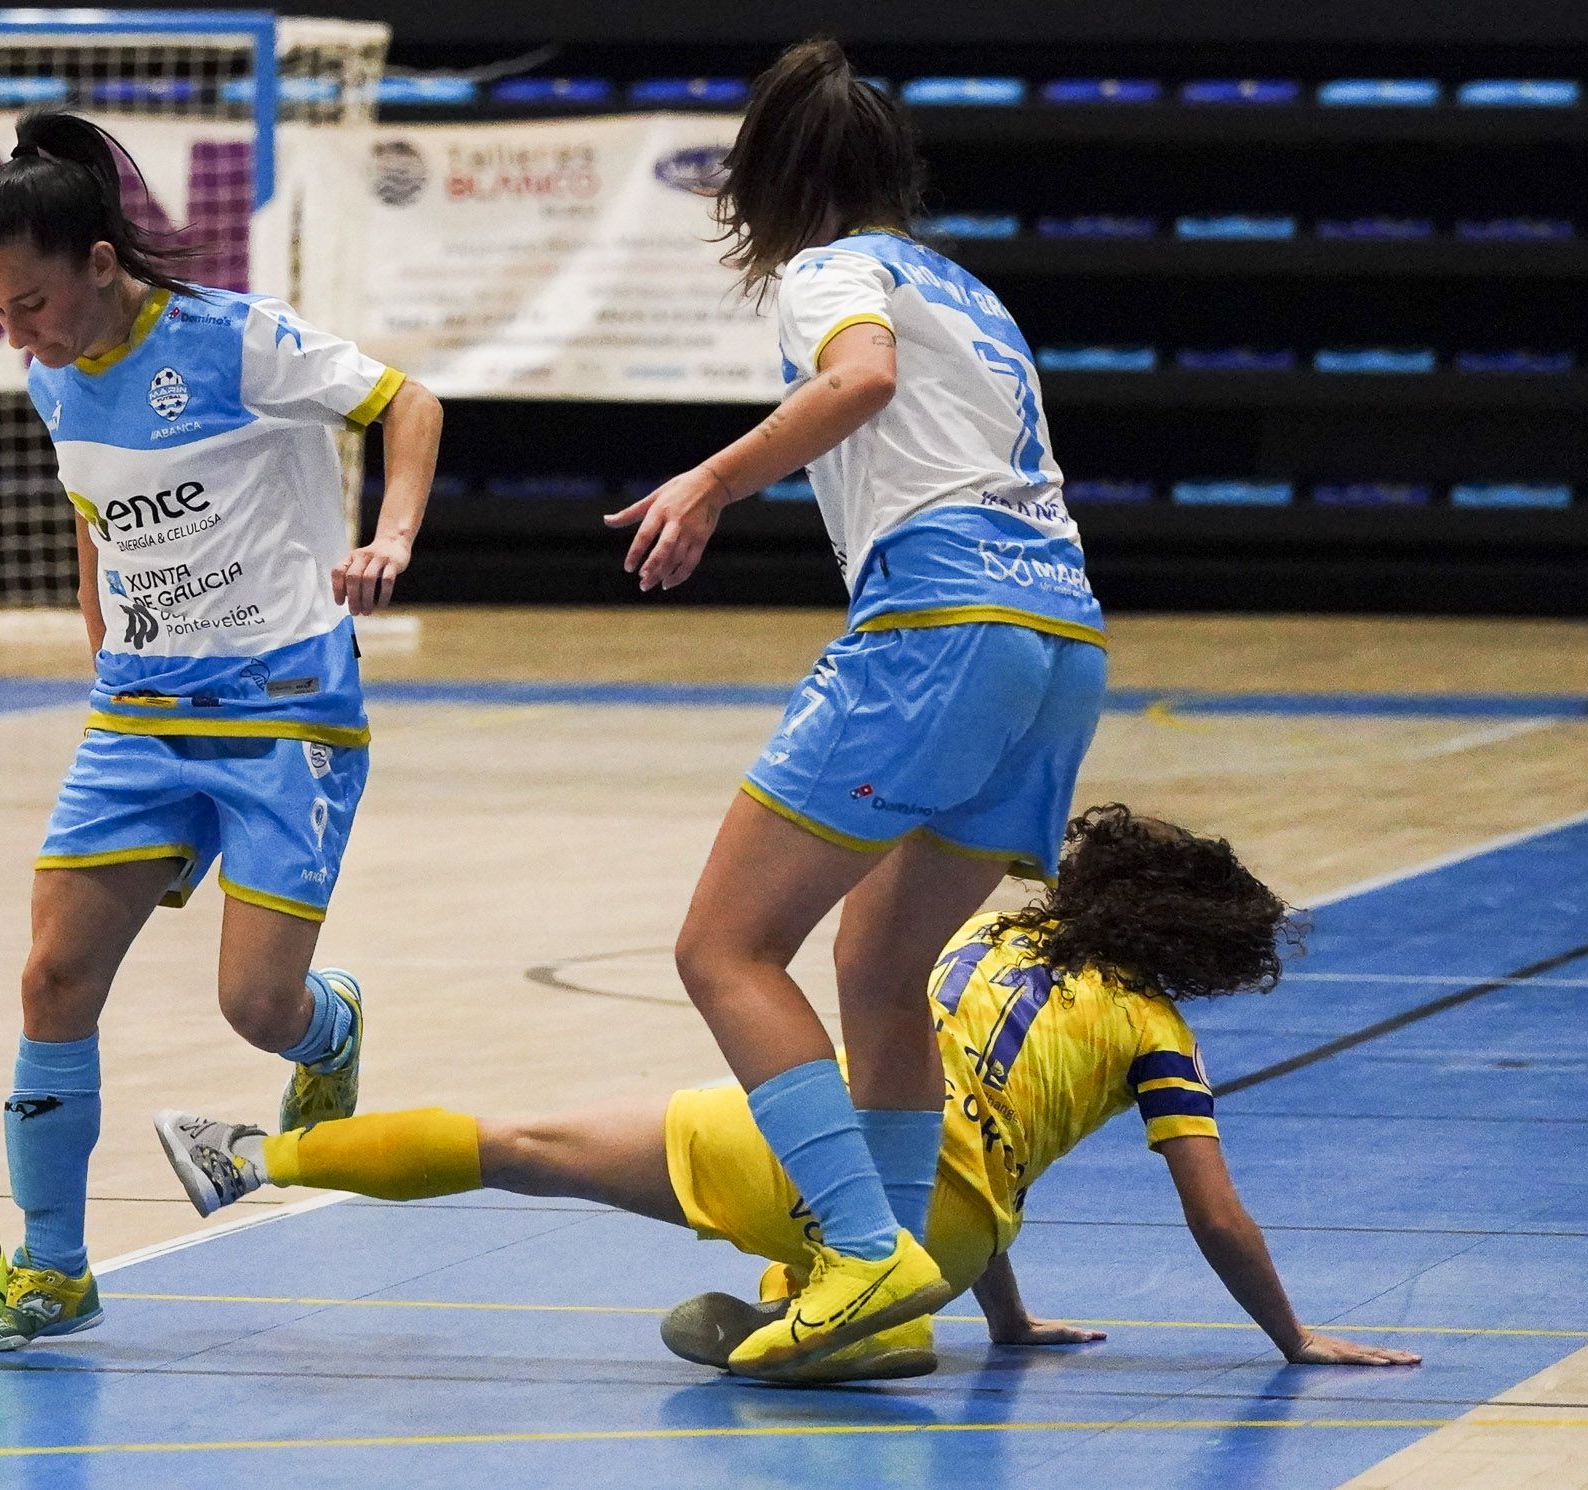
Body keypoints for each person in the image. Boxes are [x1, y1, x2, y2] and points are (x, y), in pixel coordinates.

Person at [157, 807, 1424, 1383]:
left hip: (802, 1151)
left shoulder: (971, 934)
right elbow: (1200, 1210)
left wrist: (1015, 1317)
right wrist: (1292, 1337)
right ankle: (842, 1326)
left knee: (518, 1142)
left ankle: (253, 1162)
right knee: (925, 1219)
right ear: (1193, 957)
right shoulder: (1151, 1030)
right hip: (944, 1232)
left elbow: (918, 1093)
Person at [603, 37, 1108, 1379]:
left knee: (723, 948)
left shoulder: (830, 273)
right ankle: (896, 1290)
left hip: (942, 629)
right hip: (1060, 642)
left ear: (763, 187)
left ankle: (852, 1247)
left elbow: (862, 379)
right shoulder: (974, 289)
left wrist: (706, 484)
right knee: (879, 969)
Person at [0, 110, 443, 1350]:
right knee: (51, 976)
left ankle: (325, 1020)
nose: (15, 334)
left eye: (29, 303)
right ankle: (54, 1265)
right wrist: (96, 621)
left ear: (102, 264)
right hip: (138, 713)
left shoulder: (234, 341)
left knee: (253, 1005)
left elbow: (409, 402)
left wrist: (387, 539)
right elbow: (95, 505)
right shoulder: (47, 370)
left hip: (285, 713)